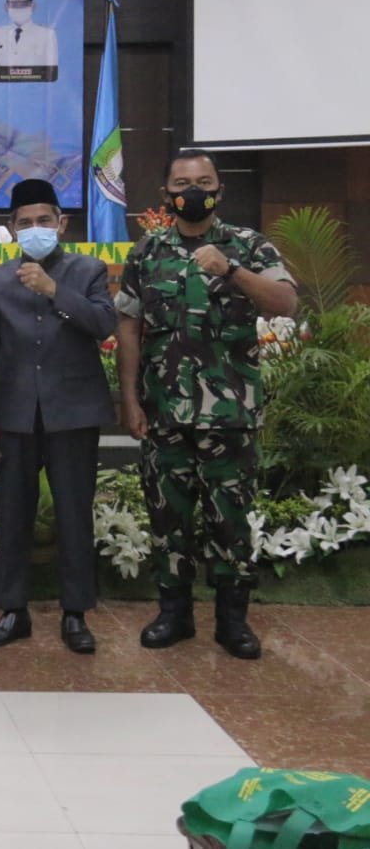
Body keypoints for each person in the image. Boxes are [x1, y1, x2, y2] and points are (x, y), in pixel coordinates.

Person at [116, 149, 298, 660]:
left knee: (230, 521)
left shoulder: (248, 245)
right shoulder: (148, 251)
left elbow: (286, 302)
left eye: (203, 181)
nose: (193, 190)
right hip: (164, 415)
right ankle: (173, 614)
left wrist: (232, 270)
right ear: (166, 194)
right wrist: (129, 399)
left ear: (220, 189)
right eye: (182, 183)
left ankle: (232, 620)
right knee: (167, 519)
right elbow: (128, 325)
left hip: (230, 416)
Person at [0, 178, 117, 654]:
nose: (36, 228)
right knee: (13, 515)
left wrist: (54, 289)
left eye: (44, 221)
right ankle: (13, 611)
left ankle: (75, 614)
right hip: (13, 416)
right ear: (13, 229)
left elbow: (103, 325)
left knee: (74, 516)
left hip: (72, 414)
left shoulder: (88, 270)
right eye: (26, 222)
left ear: (61, 223)